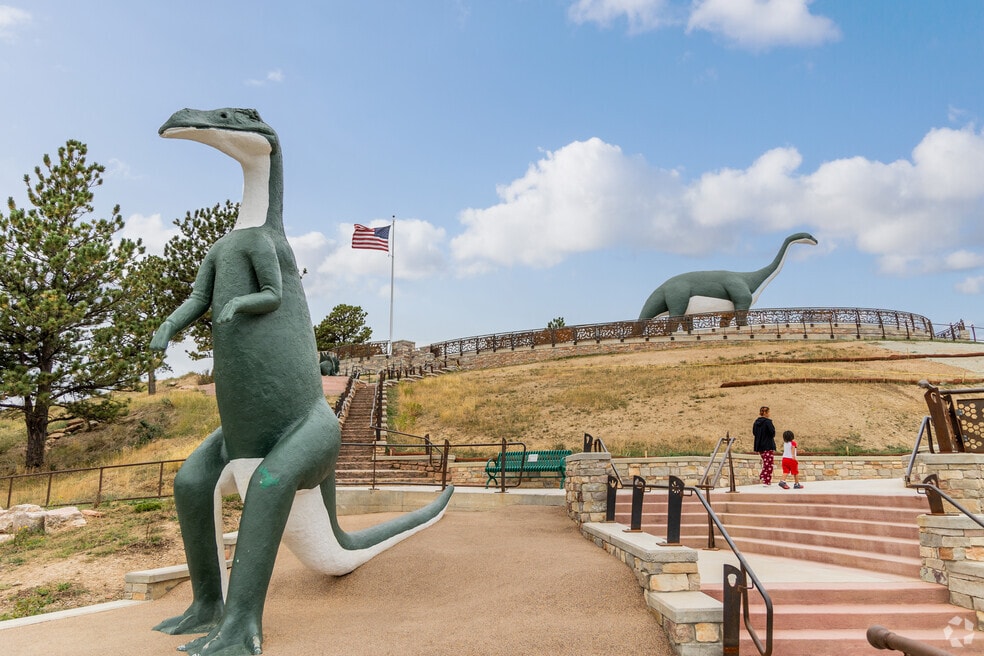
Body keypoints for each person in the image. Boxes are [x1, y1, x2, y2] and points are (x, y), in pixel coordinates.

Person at [752, 406, 776, 486]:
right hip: (768, 445)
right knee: (769, 463)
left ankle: (763, 475)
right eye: (768, 412)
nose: (769, 414)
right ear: (765, 413)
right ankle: (766, 480)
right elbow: (772, 432)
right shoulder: (768, 422)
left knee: (766, 462)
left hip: (759, 446)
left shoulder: (756, 422)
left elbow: (754, 433)